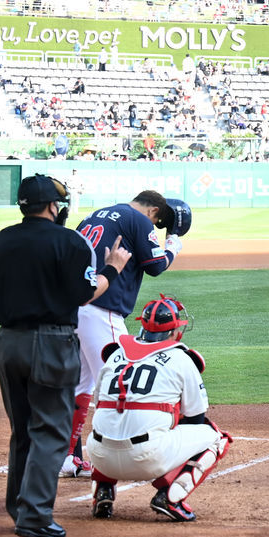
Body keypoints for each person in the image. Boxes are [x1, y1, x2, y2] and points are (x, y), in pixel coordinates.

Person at [0, 174, 131, 537]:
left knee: (23, 429)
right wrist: (113, 268)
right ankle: (34, 516)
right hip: (51, 343)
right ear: (52, 206)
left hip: (7, 343)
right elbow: (84, 293)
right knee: (51, 429)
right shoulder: (69, 241)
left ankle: (19, 506)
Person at [60, 191, 186, 478]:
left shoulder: (95, 214)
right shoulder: (138, 219)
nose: (154, 225)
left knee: (81, 385)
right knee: (123, 386)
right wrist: (172, 246)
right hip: (104, 310)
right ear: (152, 210)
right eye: (156, 220)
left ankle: (67, 457)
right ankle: (125, 458)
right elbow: (156, 266)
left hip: (74, 306)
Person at [87, 294, 231, 522]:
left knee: (111, 418)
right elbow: (196, 417)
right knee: (216, 437)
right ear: (176, 331)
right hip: (147, 458)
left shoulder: (115, 354)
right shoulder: (181, 358)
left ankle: (102, 492)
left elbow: (100, 404)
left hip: (99, 456)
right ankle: (170, 498)